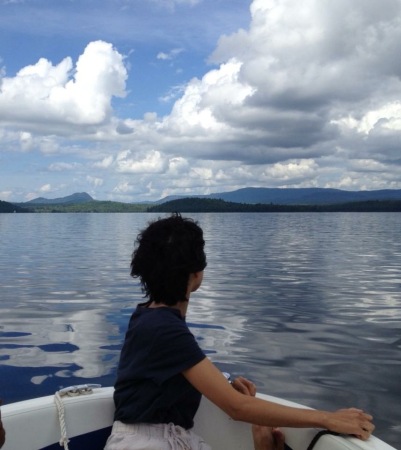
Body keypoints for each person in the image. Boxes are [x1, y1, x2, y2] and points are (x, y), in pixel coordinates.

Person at [104, 214, 374, 450]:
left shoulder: (148, 317)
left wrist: (222, 381)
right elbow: (237, 407)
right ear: (197, 273)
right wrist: (327, 418)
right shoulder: (164, 328)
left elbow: (169, 371)